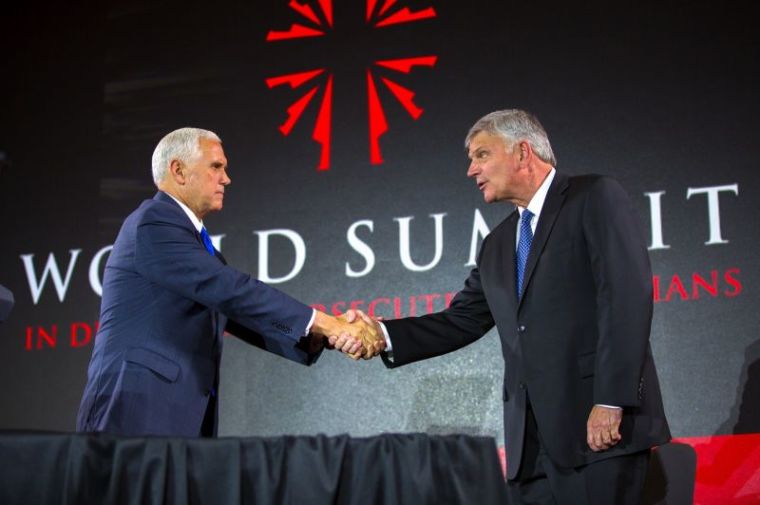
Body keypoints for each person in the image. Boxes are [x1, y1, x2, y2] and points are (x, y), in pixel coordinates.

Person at [336, 110, 671, 504]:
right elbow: (460, 320)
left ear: (522, 152)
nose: (470, 170)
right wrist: (381, 333)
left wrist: (610, 401)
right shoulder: (498, 243)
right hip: (531, 449)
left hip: (597, 431)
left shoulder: (594, 197)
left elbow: (625, 297)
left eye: (481, 155)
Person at [77, 127, 378, 438]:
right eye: (216, 167)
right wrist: (327, 324)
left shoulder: (198, 248)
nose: (226, 178)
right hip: (137, 408)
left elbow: (242, 315)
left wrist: (322, 335)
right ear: (179, 171)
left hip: (179, 416)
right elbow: (231, 290)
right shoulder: (153, 222)